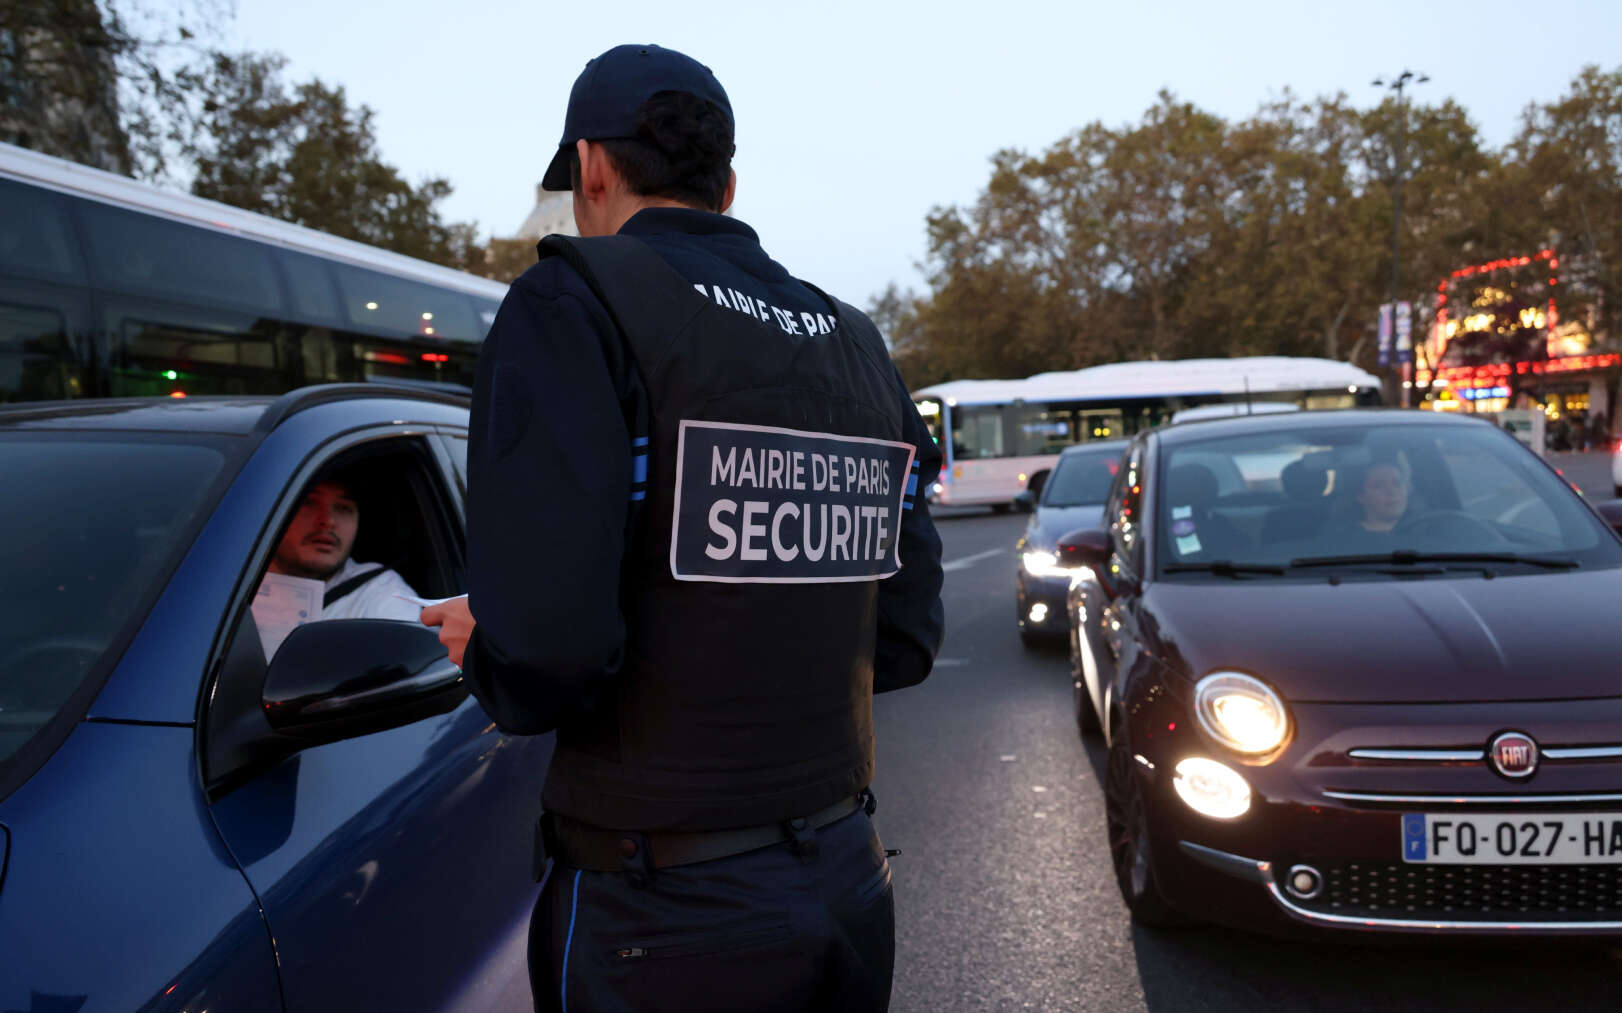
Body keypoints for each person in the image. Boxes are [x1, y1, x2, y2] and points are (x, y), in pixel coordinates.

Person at [423, 43, 944, 1013]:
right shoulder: (856, 342)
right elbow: (906, 637)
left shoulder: (571, 301)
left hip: (661, 918)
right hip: (847, 883)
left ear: (590, 166)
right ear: (728, 183)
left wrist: (487, 645)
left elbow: (548, 651)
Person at [252, 476, 423, 659]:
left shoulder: (382, 594)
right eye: (308, 503)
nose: (328, 520)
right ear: (273, 513)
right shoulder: (233, 579)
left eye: (343, 508)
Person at [1352, 461, 1410, 533]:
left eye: (1397, 483)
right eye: (1379, 486)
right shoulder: (1349, 540)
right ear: (1361, 496)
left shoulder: (1423, 529)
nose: (1392, 491)